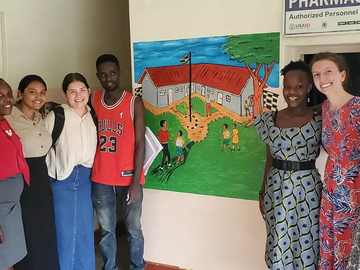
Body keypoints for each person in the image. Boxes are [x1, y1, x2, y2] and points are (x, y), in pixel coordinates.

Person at [255, 60, 322, 270]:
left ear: (309, 87)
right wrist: (262, 191)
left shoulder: (320, 117)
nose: (292, 92)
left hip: (308, 190)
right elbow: (269, 160)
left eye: (299, 86)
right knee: (278, 238)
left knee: (306, 241)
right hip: (276, 190)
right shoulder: (270, 118)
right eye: (287, 86)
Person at [90, 54, 147, 270]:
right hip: (101, 178)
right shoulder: (93, 99)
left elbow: (140, 143)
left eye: (112, 73)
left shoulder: (134, 102)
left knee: (133, 228)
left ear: (119, 72)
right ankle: (110, 267)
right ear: (98, 76)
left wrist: (135, 182)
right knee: (107, 230)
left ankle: (137, 266)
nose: (108, 78)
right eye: (103, 74)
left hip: (128, 177)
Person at [310, 52, 360, 270]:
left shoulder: (358, 107)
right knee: (330, 246)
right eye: (317, 74)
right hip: (331, 190)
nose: (322, 78)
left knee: (350, 251)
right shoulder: (324, 109)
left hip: (355, 192)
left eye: (328, 71)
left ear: (342, 75)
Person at [6, 75, 60, 270]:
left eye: (42, 92)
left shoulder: (40, 117)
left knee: (44, 230)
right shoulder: (8, 117)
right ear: (20, 94)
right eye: (32, 92)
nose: (38, 97)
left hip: (41, 181)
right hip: (21, 181)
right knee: (26, 231)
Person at [44, 73, 97, 270]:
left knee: (84, 230)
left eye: (82, 90)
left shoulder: (93, 115)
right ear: (65, 95)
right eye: (72, 91)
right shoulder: (56, 116)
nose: (78, 95)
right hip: (61, 181)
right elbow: (41, 147)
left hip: (86, 180)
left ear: (89, 91)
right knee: (63, 231)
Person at [0, 78, 29, 270]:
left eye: (9, 94)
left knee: (9, 258)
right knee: (4, 260)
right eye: (0, 96)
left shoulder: (4, 123)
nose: (8, 99)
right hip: (1, 209)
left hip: (11, 206)